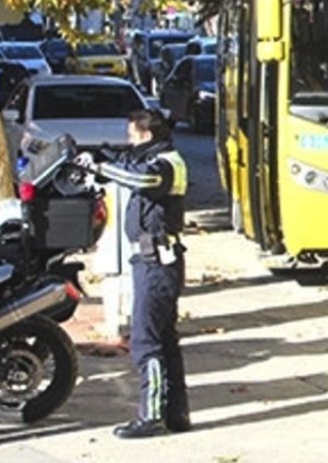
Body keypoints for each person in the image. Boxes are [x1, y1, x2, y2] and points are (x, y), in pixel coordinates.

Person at [81, 110, 191, 438]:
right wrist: (99, 155)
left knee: (146, 341)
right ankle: (176, 414)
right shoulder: (157, 157)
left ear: (145, 135)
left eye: (132, 136)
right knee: (165, 340)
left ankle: (151, 415)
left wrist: (101, 168)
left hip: (158, 262)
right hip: (154, 260)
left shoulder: (167, 164)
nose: (129, 141)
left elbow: (143, 179)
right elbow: (129, 162)